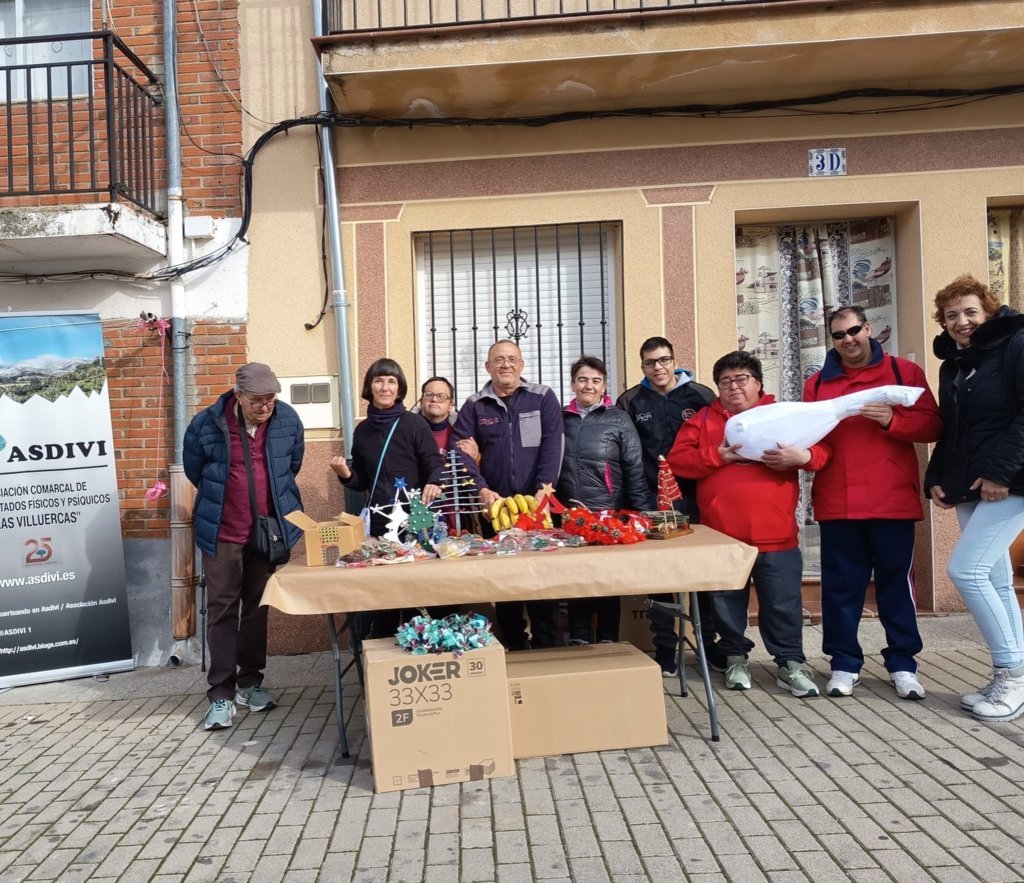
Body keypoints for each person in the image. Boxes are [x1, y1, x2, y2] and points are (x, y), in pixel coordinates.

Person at [668, 352, 827, 697]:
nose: (733, 387)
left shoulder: (781, 414)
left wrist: (804, 457)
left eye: (741, 379)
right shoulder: (703, 420)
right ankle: (736, 658)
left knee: (782, 602)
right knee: (726, 602)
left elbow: (822, 450)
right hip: (723, 535)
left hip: (776, 532)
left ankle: (790, 663)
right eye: (725, 381)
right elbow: (679, 461)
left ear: (758, 383)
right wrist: (718, 456)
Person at [804, 306, 941, 699]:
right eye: (838, 335)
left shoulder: (903, 374)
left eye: (853, 331)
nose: (848, 340)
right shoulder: (816, 384)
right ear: (831, 339)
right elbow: (815, 441)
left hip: (892, 501)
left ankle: (903, 664)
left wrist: (892, 421)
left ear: (869, 329)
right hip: (838, 502)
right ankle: (844, 664)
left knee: (896, 587)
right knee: (840, 590)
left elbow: (932, 425)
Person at [183, 362, 305, 731]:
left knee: (256, 608)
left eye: (270, 399)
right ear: (238, 396)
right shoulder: (206, 424)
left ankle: (251, 683)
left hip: (266, 532)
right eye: (257, 400)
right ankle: (220, 693)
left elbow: (292, 465)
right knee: (221, 609)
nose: (265, 406)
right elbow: (195, 469)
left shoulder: (287, 420)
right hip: (222, 531)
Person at [925, 274, 1024, 722]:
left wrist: (1000, 472)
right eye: (952, 316)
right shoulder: (956, 365)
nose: (961, 322)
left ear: (987, 311)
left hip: (1009, 481)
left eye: (970, 312)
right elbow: (954, 428)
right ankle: (1011, 674)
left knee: (966, 570)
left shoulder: (1015, 345)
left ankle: (1012, 674)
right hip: (970, 483)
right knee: (998, 580)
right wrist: (937, 477)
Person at [452, 340, 564, 650]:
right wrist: (481, 488)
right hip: (495, 509)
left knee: (541, 578)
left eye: (512, 359)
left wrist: (544, 490)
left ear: (522, 365)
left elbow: (553, 445)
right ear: (487, 367)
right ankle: (514, 643)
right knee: (504, 580)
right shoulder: (475, 404)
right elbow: (460, 452)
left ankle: (547, 643)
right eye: (498, 360)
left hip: (536, 507)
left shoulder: (542, 398)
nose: (506, 365)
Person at [617, 336, 720, 676]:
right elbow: (627, 455)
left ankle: (711, 645)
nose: (658, 367)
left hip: (695, 500)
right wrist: (638, 502)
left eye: (663, 360)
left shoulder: (702, 396)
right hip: (651, 503)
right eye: (650, 362)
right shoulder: (630, 400)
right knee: (660, 578)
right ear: (642, 366)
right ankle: (664, 648)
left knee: (702, 574)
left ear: (675, 361)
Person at [330, 358, 444, 638]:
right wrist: (345, 474)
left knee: (420, 592)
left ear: (400, 387)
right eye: (379, 380)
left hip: (416, 524)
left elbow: (433, 463)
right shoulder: (362, 431)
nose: (385, 387)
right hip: (381, 527)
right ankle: (384, 656)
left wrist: (434, 482)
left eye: (392, 381)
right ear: (370, 387)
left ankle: (424, 645)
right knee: (385, 595)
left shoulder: (414, 424)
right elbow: (361, 482)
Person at [558, 355, 652, 644]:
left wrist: (641, 514)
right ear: (573, 384)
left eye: (596, 380)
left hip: (609, 514)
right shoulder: (560, 419)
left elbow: (634, 467)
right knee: (576, 580)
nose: (589, 385)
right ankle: (579, 637)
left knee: (606, 580)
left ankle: (609, 638)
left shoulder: (618, 419)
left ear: (604, 386)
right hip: (569, 514)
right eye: (583, 379)